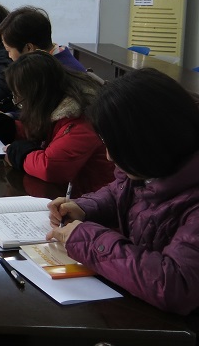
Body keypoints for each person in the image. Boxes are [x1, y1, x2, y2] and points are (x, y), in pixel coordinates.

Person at [47, 68, 199, 315]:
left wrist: (88, 239)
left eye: (115, 147)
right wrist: (84, 208)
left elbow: (176, 285)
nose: (109, 157)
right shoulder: (153, 165)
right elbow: (122, 192)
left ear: (149, 142)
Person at [0, 51, 113, 197]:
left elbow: (51, 168)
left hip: (92, 200)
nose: (20, 104)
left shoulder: (82, 119)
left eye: (21, 98)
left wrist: (20, 154)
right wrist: (6, 126)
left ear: (38, 95)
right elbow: (42, 131)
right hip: (74, 196)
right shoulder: (58, 104)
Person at [0, 6, 86, 71]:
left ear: (29, 48)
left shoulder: (56, 74)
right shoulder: (50, 62)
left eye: (8, 50)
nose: (9, 56)